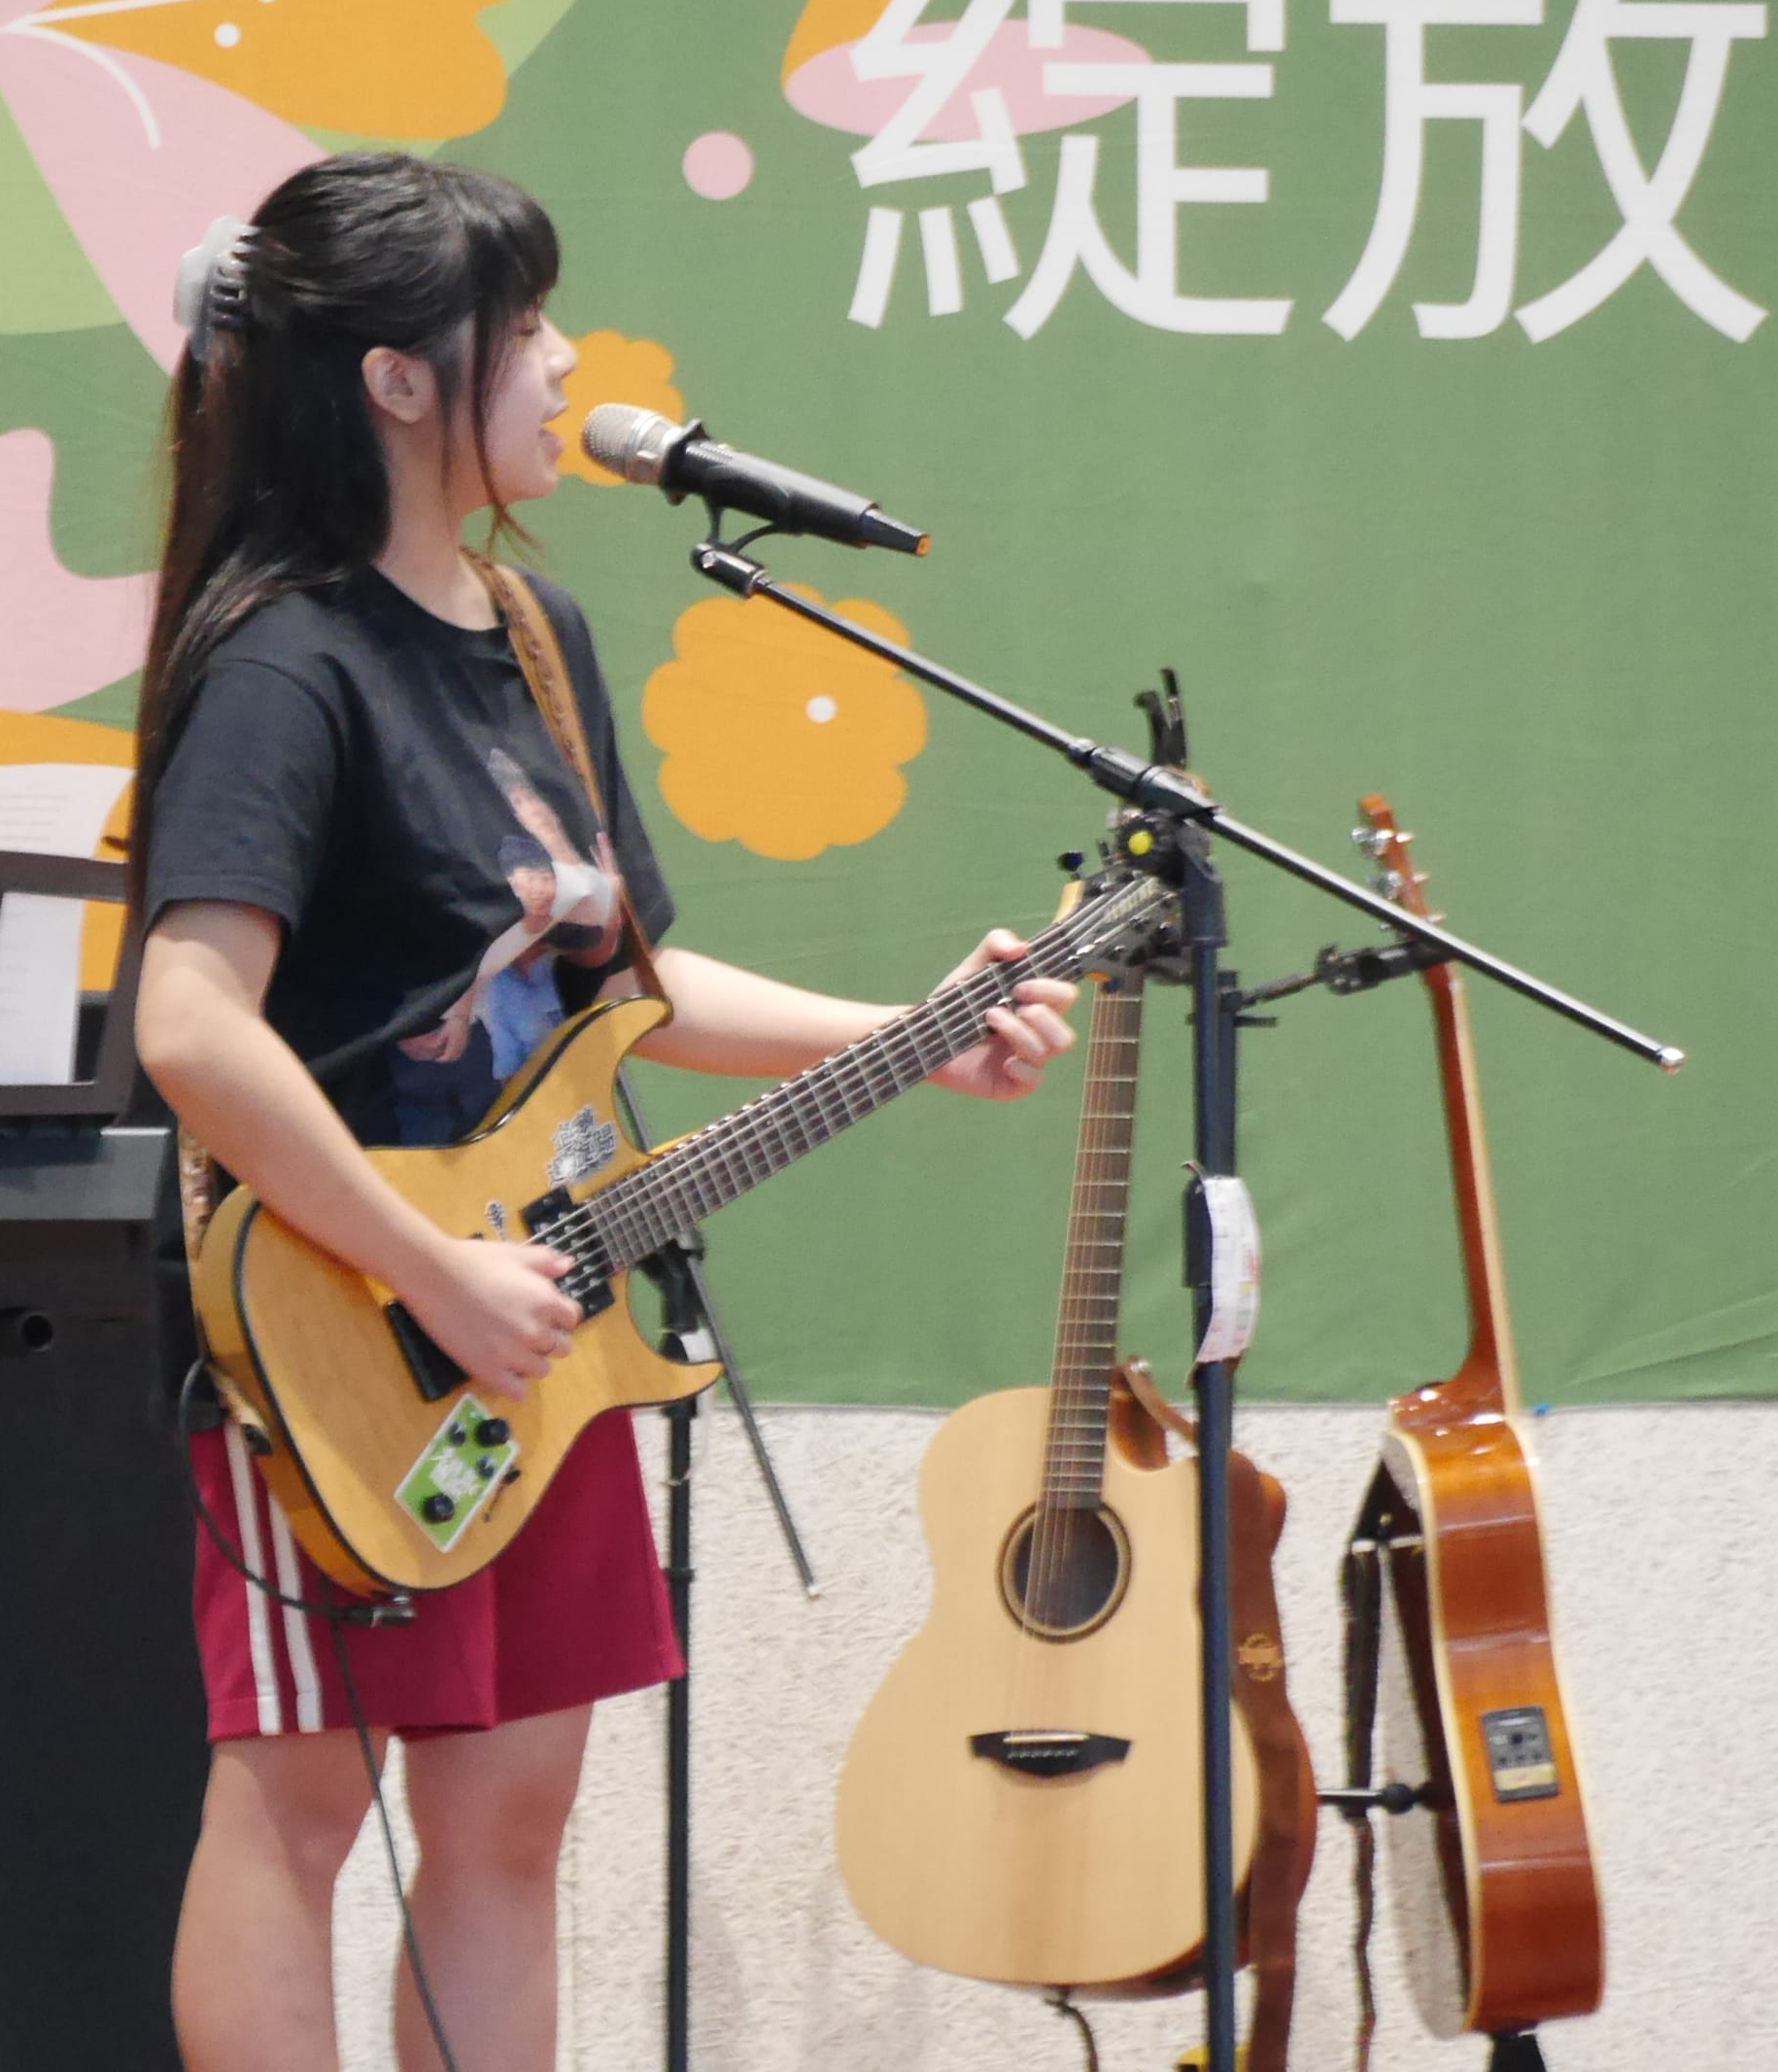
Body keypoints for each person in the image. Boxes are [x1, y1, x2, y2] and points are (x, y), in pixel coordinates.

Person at [129, 154, 1081, 2072]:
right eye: (530, 327)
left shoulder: (533, 638)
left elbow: (628, 987)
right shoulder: (287, 659)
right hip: (336, 1327)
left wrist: (913, 1031)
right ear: (400, 381)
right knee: (298, 1811)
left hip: (540, 1322)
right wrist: (428, 1272)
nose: (569, 365)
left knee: (509, 1822)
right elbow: (190, 1026)